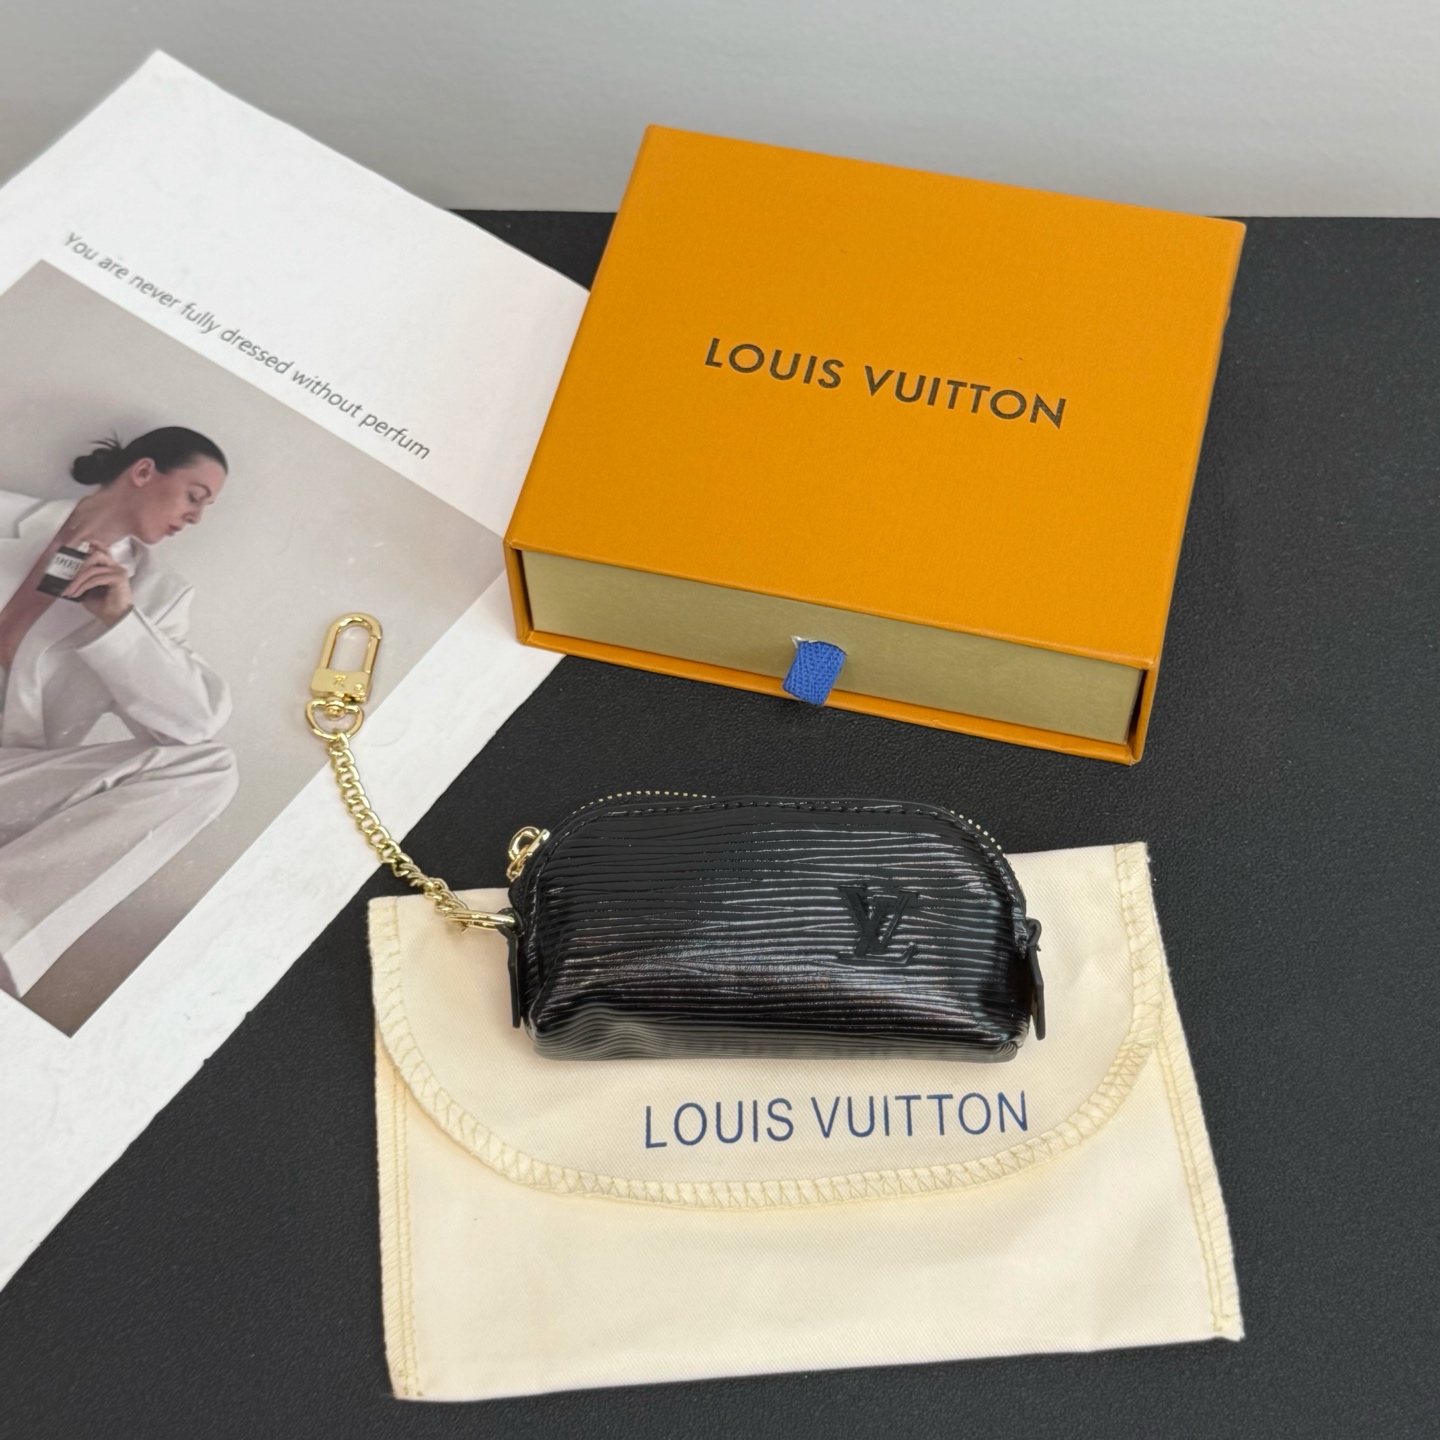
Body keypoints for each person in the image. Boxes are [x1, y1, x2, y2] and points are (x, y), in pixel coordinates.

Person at [0, 428, 238, 998]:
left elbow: (195, 725)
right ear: (143, 471)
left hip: (11, 780)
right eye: (195, 496)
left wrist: (121, 621)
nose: (196, 517)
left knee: (211, 768)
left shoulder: (156, 595)